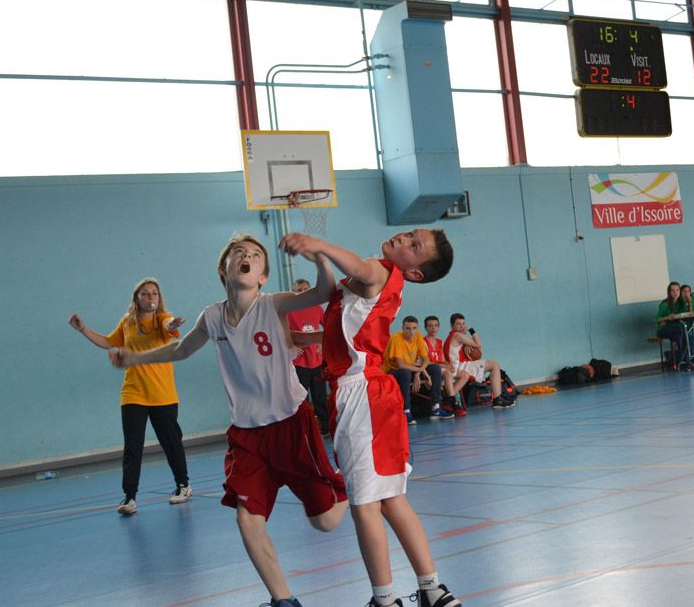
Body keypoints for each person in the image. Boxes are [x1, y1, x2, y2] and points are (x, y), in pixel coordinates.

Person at [111, 233, 347, 607]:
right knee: (247, 519)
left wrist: (318, 254)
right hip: (247, 435)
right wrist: (133, 358)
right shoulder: (213, 317)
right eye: (238, 252)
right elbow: (181, 350)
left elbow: (324, 292)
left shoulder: (274, 304)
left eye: (254, 254)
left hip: (291, 423)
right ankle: (283, 600)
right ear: (223, 269)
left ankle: (354, 480)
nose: (246, 256)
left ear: (262, 276)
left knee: (325, 521)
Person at [277, 229, 461, 607]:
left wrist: (319, 245)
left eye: (414, 246)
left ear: (415, 272)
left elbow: (360, 268)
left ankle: (385, 600)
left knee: (364, 504)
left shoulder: (379, 271)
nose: (404, 239)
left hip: (363, 395)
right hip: (375, 393)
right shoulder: (378, 282)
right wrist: (303, 338)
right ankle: (432, 589)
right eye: (410, 234)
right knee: (392, 499)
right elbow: (350, 333)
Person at [68, 277, 191, 516]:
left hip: (162, 394)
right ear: (137, 298)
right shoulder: (127, 322)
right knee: (132, 446)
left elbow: (169, 326)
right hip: (133, 393)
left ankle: (183, 485)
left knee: (171, 442)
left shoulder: (163, 318)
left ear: (159, 298)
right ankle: (130, 497)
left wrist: (173, 324)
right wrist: (83, 329)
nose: (150, 297)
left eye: (154, 293)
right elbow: (108, 341)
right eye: (145, 293)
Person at [383, 316, 453, 423]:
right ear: (403, 328)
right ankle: (406, 411)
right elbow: (401, 365)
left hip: (411, 369)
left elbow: (426, 359)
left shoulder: (418, 336)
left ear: (417, 328)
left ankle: (436, 407)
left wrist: (419, 372)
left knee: (435, 368)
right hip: (392, 371)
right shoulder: (396, 338)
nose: (411, 332)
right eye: (408, 328)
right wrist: (419, 371)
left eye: (414, 328)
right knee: (405, 372)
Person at [287, 277, 329, 435]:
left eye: (306, 290)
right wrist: (290, 347)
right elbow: (279, 333)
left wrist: (323, 344)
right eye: (299, 291)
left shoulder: (317, 308)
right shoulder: (288, 312)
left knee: (320, 398)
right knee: (301, 401)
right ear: (294, 293)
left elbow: (330, 327)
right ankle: (304, 431)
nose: (303, 293)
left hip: (316, 361)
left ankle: (325, 428)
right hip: (299, 363)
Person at [445, 313, 514, 409]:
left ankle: (497, 397)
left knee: (494, 364)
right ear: (452, 326)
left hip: (460, 365)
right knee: (494, 364)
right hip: (460, 367)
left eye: (463, 324)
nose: (462, 326)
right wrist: (471, 329)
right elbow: (478, 344)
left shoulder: (454, 336)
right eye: (458, 324)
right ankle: (497, 399)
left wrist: (468, 344)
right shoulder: (457, 335)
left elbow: (478, 350)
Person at [423, 315, 466, 417]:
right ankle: (453, 403)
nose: (433, 328)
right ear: (425, 328)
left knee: (464, 374)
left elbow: (443, 360)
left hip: (440, 369)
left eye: (436, 325)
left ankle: (447, 400)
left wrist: (449, 365)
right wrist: (445, 367)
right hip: (429, 370)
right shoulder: (422, 342)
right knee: (447, 373)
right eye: (430, 326)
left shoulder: (440, 342)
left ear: (438, 327)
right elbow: (425, 362)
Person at [655, 281, 693, 371]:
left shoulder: (681, 303)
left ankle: (680, 362)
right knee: (685, 332)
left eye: (677, 290)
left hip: (678, 329)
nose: (675, 293)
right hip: (664, 329)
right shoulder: (664, 304)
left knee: (680, 337)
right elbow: (657, 320)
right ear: (669, 292)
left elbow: (689, 315)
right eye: (672, 290)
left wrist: (690, 303)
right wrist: (667, 317)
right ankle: (686, 361)